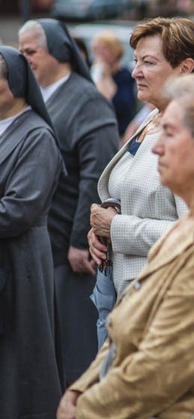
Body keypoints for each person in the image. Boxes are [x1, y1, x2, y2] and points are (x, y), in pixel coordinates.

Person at [58, 68, 194, 419]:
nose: (156, 146)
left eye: (170, 133)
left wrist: (83, 409)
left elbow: (160, 368)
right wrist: (80, 388)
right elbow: (123, 330)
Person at [87, 17, 194, 346]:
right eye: (136, 61)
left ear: (185, 68)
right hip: (119, 290)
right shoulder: (153, 117)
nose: (135, 71)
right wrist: (103, 226)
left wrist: (116, 228)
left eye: (149, 62)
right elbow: (133, 189)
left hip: (160, 304)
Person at [18, 18, 119, 385]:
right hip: (48, 243)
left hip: (70, 249)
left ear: (59, 52)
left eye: (31, 51)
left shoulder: (85, 98)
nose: (24, 58)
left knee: (75, 347)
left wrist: (80, 239)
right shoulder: (42, 95)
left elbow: (96, 174)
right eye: (22, 51)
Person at [0, 46, 64, 418]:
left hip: (20, 261)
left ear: (18, 83)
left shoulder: (37, 136)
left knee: (21, 359)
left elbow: (19, 210)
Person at [91, 31, 137, 137]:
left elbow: (120, 106)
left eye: (104, 48)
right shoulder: (94, 74)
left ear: (115, 51)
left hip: (120, 133)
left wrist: (106, 77)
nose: (100, 53)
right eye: (96, 49)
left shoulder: (127, 76)